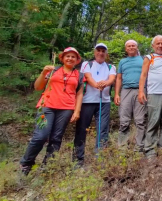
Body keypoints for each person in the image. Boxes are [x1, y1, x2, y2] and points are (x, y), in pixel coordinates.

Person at [20, 47, 84, 175]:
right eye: (67, 56)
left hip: (66, 109)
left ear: (77, 60)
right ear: (62, 58)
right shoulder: (52, 70)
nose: (70, 58)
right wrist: (43, 73)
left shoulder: (79, 75)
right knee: (40, 136)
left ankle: (47, 166)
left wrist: (77, 111)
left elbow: (79, 94)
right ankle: (26, 164)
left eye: (73, 57)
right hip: (46, 106)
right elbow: (38, 87)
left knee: (56, 138)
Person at [73, 43, 116, 166]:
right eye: (99, 50)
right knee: (81, 130)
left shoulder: (111, 67)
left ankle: (100, 159)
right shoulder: (87, 64)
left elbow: (112, 79)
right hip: (87, 101)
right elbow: (88, 77)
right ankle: (78, 160)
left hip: (104, 102)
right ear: (95, 52)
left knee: (102, 130)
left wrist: (105, 83)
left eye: (103, 51)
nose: (101, 53)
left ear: (106, 54)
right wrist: (98, 85)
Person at [138, 35, 162, 158]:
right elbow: (143, 75)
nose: (160, 46)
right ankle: (149, 150)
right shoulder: (149, 57)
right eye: (158, 43)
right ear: (153, 46)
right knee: (154, 121)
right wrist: (141, 91)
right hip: (154, 93)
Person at [115, 40, 146, 152]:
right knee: (124, 120)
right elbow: (118, 78)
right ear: (126, 49)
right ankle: (122, 148)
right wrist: (117, 94)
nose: (131, 47)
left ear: (137, 47)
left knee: (140, 120)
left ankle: (139, 148)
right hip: (125, 90)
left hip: (140, 90)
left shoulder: (144, 59)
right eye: (129, 46)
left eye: (133, 45)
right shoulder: (122, 61)